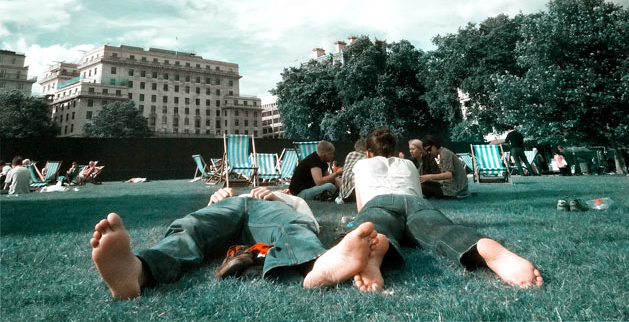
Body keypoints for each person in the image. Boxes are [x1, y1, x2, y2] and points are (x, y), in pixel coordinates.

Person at [90, 186, 379, 299]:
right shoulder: (236, 194)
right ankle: (139, 270)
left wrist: (277, 196)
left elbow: (306, 221)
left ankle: (318, 265)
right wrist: (216, 199)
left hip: (270, 213)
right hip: (232, 207)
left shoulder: (291, 198)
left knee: (291, 225)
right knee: (193, 225)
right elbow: (207, 219)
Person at [349, 128, 543, 292]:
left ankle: (377, 243)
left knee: (371, 227)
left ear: (368, 153)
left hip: (378, 202)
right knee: (442, 230)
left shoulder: (361, 164)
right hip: (418, 204)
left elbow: (361, 207)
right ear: (393, 150)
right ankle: (478, 246)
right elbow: (417, 193)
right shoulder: (408, 163)